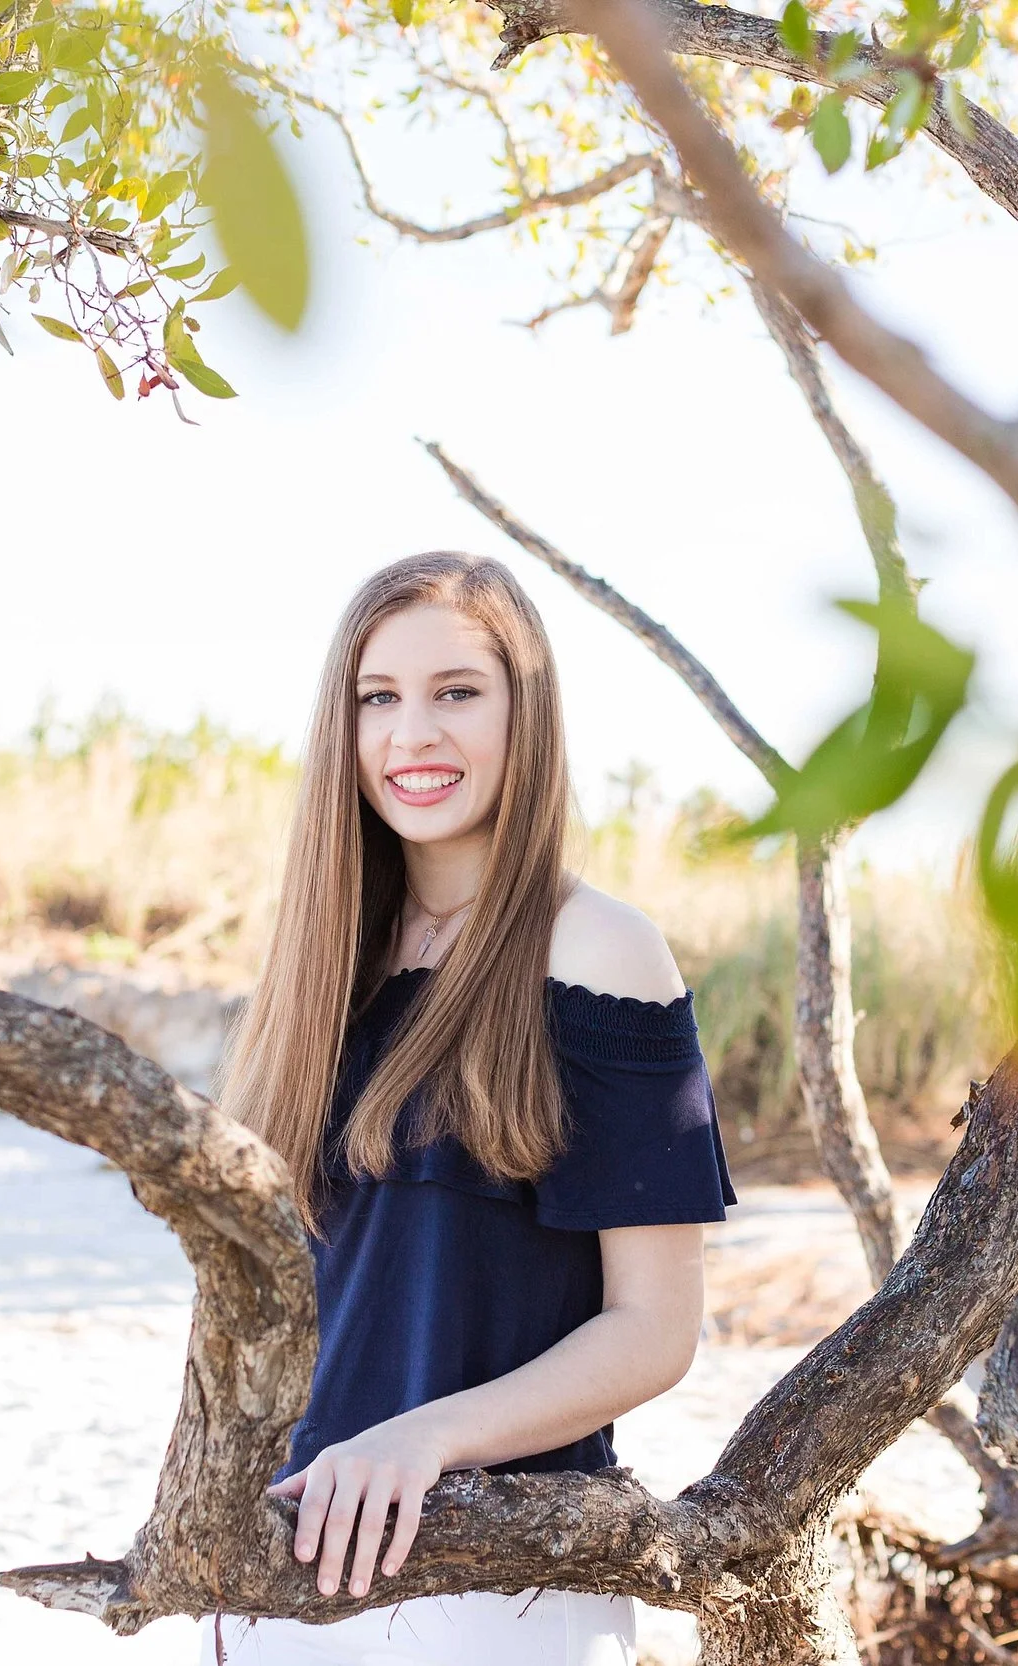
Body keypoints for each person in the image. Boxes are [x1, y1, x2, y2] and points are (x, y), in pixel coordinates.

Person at [205, 552, 737, 1665]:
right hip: (284, 1558)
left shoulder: (600, 952)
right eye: (378, 698)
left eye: (457, 692)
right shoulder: (320, 968)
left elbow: (654, 1326)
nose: (413, 735)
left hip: (495, 1585)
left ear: (523, 711)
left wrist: (424, 1440)